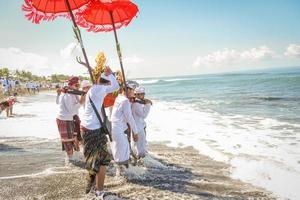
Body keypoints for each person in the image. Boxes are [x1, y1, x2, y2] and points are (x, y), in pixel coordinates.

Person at [80, 66, 119, 197]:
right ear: (105, 81)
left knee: (99, 160)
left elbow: (113, 86)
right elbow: (115, 86)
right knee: (101, 161)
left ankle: (94, 185)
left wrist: (107, 75)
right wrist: (110, 74)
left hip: (89, 128)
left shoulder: (94, 89)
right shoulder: (98, 89)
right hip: (92, 129)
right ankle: (98, 190)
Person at [110, 82, 139, 169]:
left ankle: (121, 173)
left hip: (116, 128)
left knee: (121, 151)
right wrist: (135, 132)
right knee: (122, 153)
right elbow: (129, 117)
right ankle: (124, 175)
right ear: (128, 90)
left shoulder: (119, 98)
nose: (134, 92)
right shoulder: (124, 101)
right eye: (133, 90)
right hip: (118, 129)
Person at [56, 77, 82, 163]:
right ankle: (70, 161)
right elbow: (71, 110)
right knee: (68, 141)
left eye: (79, 85)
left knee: (75, 139)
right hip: (64, 119)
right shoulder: (67, 94)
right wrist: (81, 102)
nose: (78, 87)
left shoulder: (72, 93)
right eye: (77, 85)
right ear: (71, 85)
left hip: (70, 118)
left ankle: (73, 159)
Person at [131, 87, 152, 159]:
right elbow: (143, 115)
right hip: (138, 127)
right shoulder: (136, 104)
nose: (143, 96)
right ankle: (141, 161)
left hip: (138, 126)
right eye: (142, 94)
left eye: (143, 94)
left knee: (138, 145)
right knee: (141, 146)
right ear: (137, 95)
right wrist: (148, 104)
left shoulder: (136, 102)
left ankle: (138, 159)